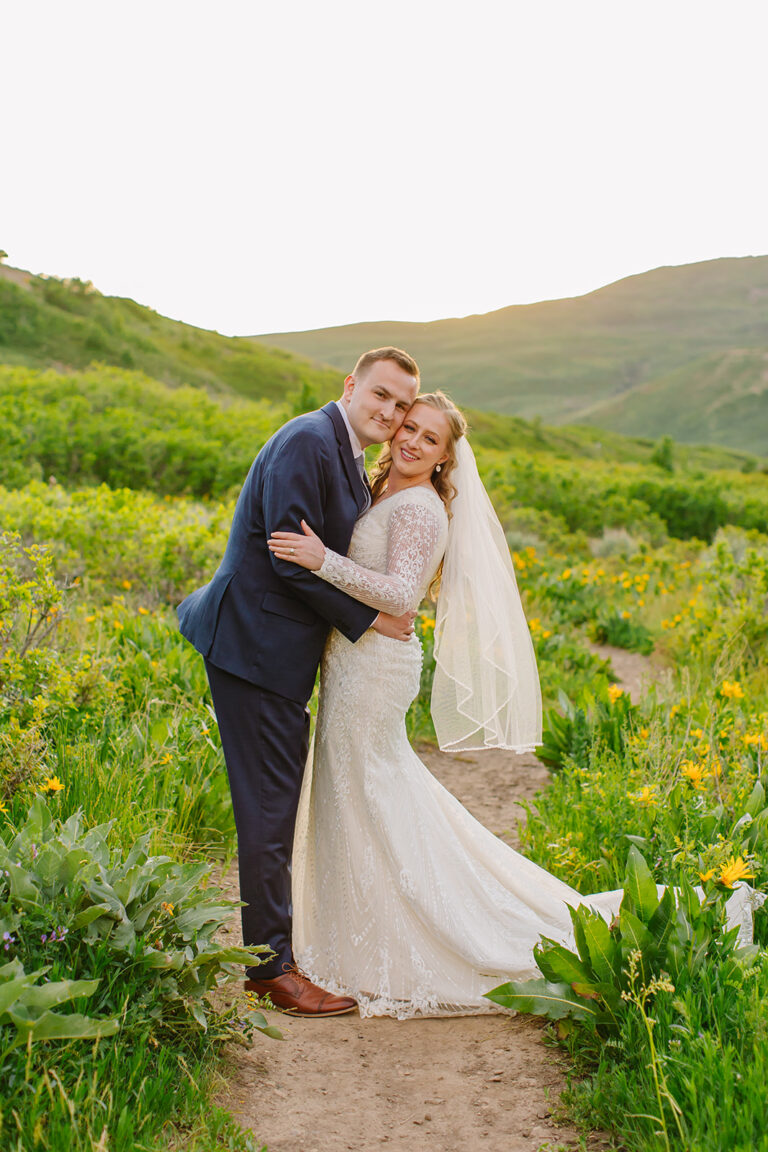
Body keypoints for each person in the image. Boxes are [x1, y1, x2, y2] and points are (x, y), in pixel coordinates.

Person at [268, 391, 761, 1018]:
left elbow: (399, 594)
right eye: (408, 427)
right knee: (354, 793)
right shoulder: (379, 489)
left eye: (430, 438)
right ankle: (358, 936)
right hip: (349, 662)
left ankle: (446, 935)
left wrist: (321, 559)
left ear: (447, 457)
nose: (413, 441)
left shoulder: (420, 508)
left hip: (375, 672)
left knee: (373, 790)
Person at [177, 347, 420, 1017]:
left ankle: (271, 958)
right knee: (269, 809)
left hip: (273, 649)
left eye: (402, 404)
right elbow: (289, 558)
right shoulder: (308, 440)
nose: (391, 413)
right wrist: (367, 618)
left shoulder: (339, 447)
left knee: (273, 803)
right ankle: (270, 972)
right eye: (382, 395)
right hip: (254, 647)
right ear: (351, 385)